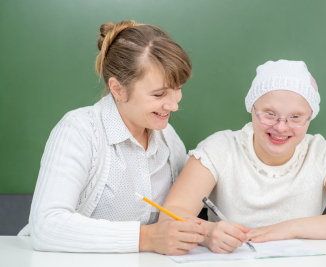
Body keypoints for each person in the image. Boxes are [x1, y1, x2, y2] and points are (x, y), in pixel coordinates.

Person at [18, 20, 207, 255]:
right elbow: (46, 226)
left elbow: (177, 214)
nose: (174, 104)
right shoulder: (79, 130)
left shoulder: (167, 136)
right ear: (117, 89)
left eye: (178, 88)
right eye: (158, 94)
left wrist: (206, 233)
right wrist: (145, 238)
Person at [160, 59, 326, 253]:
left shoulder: (322, 153)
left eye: (296, 117)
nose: (281, 127)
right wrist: (208, 234)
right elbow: (169, 217)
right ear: (252, 109)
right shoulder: (220, 148)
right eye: (269, 114)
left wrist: (289, 228)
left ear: (310, 117)